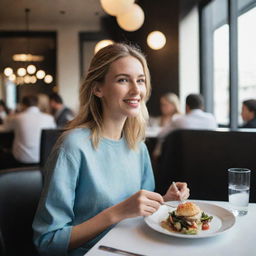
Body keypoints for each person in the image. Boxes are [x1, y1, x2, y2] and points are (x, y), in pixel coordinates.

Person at [32, 43, 190, 256]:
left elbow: (138, 216)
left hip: (133, 248)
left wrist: (164, 202)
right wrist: (119, 212)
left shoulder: (138, 146)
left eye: (140, 80)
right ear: (98, 89)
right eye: (123, 80)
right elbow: (47, 242)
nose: (136, 90)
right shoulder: (72, 146)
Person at [152, 93, 217, 160]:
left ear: (187, 106)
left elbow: (161, 135)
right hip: (208, 158)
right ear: (202, 107)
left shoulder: (180, 120)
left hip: (184, 160)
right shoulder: (212, 119)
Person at [0, 95, 56, 166]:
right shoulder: (49, 118)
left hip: (21, 159)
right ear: (37, 104)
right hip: (44, 159)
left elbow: (4, 129)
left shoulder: (17, 118)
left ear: (23, 105)